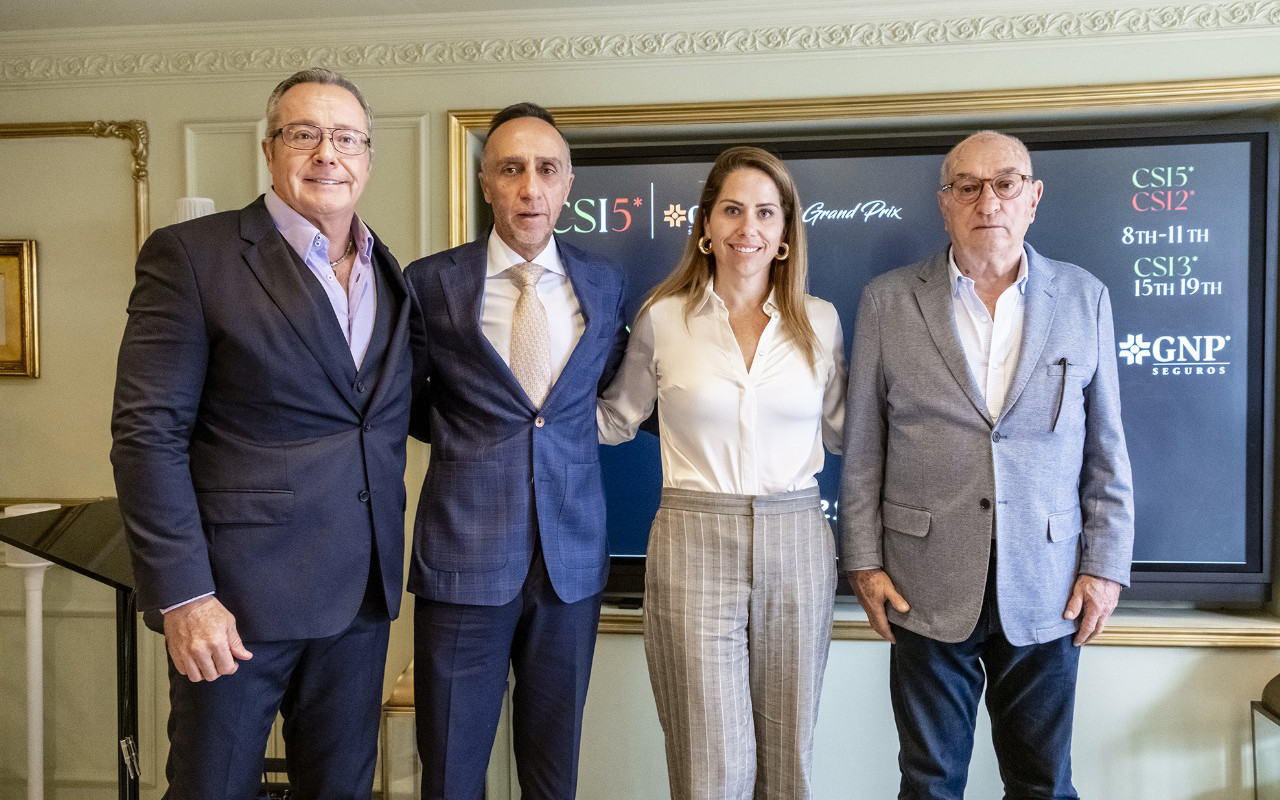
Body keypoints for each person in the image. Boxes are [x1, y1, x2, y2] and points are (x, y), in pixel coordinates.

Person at [110, 68, 412, 799]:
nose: (326, 153)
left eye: (345, 138)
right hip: (234, 606)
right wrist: (184, 596)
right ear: (269, 150)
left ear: (368, 158)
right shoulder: (193, 256)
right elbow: (146, 433)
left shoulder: (389, 273)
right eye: (303, 134)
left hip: (360, 599)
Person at [840, 130, 1135, 799]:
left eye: (1005, 183)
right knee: (930, 782)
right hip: (923, 581)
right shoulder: (888, 301)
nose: (988, 200)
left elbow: (1106, 449)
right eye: (967, 186)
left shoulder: (1084, 298)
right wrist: (862, 561)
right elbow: (864, 447)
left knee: (1042, 783)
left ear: (1032, 199)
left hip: (1049, 583)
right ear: (944, 204)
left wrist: (1105, 566)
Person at [598, 145, 847, 800]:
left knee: (786, 760)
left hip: (798, 540)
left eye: (766, 212)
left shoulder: (819, 323)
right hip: (691, 543)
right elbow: (616, 418)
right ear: (705, 225)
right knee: (710, 765)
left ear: (787, 231)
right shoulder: (663, 319)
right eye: (732, 210)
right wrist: (521, 408)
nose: (749, 228)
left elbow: (850, 431)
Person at [404, 102, 627, 800]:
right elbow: (403, 402)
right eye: (512, 169)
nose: (530, 186)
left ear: (566, 185)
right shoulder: (429, 283)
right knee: (449, 770)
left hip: (571, 564)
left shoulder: (605, 282)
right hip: (462, 558)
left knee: (553, 771)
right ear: (486, 183)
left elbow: (612, 391)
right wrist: (474, 444)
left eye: (546, 169)